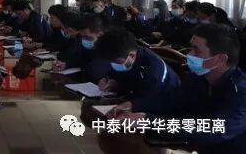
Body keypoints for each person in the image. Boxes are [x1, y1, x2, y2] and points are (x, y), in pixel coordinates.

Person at [117, 24, 246, 153]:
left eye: (196, 50)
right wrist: (134, 105)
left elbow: (213, 129)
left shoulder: (241, 92)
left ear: (220, 59)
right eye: (191, 48)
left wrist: (148, 120)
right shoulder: (196, 79)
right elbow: (171, 101)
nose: (189, 54)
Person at [95, 28, 180, 115]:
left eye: (116, 62)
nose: (113, 65)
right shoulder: (126, 56)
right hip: (135, 100)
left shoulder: (154, 71)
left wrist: (131, 104)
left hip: (162, 110)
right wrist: (112, 81)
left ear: (131, 55)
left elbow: (150, 101)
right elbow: (122, 78)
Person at [53, 13, 109, 82]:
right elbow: (78, 58)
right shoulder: (83, 43)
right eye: (82, 36)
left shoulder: (111, 49)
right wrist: (65, 65)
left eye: (87, 37)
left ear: (100, 34)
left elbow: (95, 71)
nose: (84, 40)